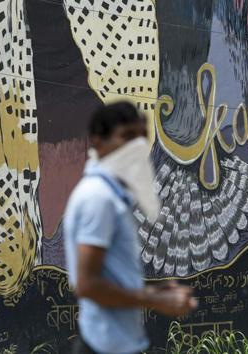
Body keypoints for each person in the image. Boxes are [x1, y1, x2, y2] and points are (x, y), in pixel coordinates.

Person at [63, 102, 198, 354]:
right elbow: (88, 284)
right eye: (126, 138)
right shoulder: (99, 198)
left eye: (141, 138)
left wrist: (155, 290)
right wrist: (155, 299)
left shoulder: (110, 196)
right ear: (98, 143)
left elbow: (107, 278)